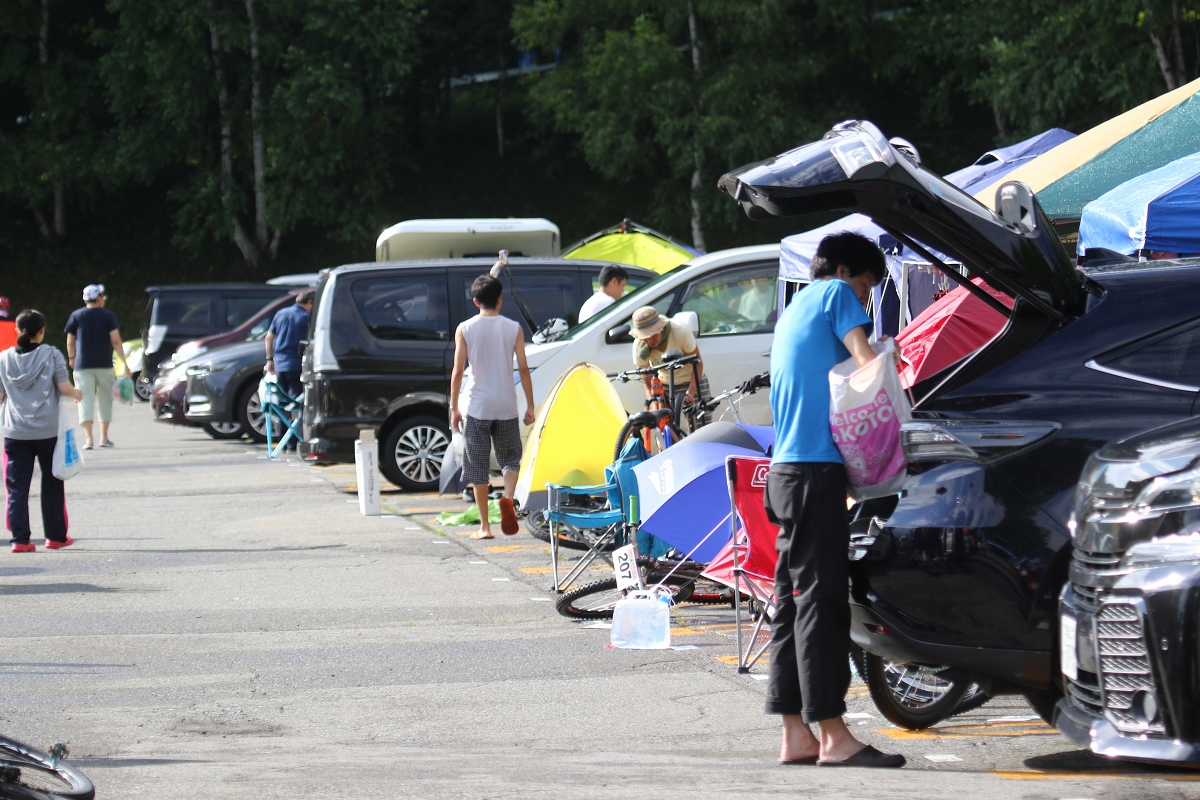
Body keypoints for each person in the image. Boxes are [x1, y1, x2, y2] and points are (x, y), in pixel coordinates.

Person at [765, 231, 904, 768]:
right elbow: (866, 366)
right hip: (816, 473)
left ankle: (795, 733)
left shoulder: (795, 307)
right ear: (847, 271)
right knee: (822, 603)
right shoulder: (836, 294)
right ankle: (833, 735)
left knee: (790, 600)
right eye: (868, 286)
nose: (866, 300)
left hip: (784, 471)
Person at [449, 275, 535, 540]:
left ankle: (484, 527)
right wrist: (530, 405)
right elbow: (522, 367)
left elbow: (457, 370)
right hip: (506, 403)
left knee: (477, 465)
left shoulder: (465, 328)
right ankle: (508, 497)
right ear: (500, 299)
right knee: (510, 457)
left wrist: (454, 407)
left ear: (475, 301)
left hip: (478, 405)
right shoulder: (513, 328)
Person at [0, 309, 83, 553]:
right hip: (47, 430)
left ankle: (20, 539)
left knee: (16, 487)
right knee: (52, 482)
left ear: (17, 331)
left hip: (14, 431)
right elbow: (64, 387)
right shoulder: (51, 354)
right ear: (42, 330)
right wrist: (78, 394)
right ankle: (56, 537)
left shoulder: (4, 358)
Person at [65, 284, 131, 449]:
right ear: (99, 298)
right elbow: (115, 341)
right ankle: (104, 437)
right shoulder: (108, 316)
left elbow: (70, 340)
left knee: (84, 400)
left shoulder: (76, 315)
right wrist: (125, 362)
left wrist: (72, 358)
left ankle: (88, 440)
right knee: (105, 401)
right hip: (104, 364)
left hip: (82, 365)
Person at [628, 306, 709, 414]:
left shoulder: (680, 331)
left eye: (653, 335)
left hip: (691, 380)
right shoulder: (639, 345)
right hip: (665, 385)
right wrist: (653, 402)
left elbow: (698, 364)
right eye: (645, 338)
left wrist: (690, 392)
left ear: (661, 328)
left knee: (701, 426)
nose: (650, 340)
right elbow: (647, 380)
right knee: (669, 426)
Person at [265, 288, 315, 401]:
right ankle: (295, 419)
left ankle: (280, 419)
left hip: (278, 365)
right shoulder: (307, 318)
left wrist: (270, 360)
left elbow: (268, 338)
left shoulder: (280, 313)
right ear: (310, 302)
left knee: (280, 401)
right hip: (296, 365)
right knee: (296, 402)